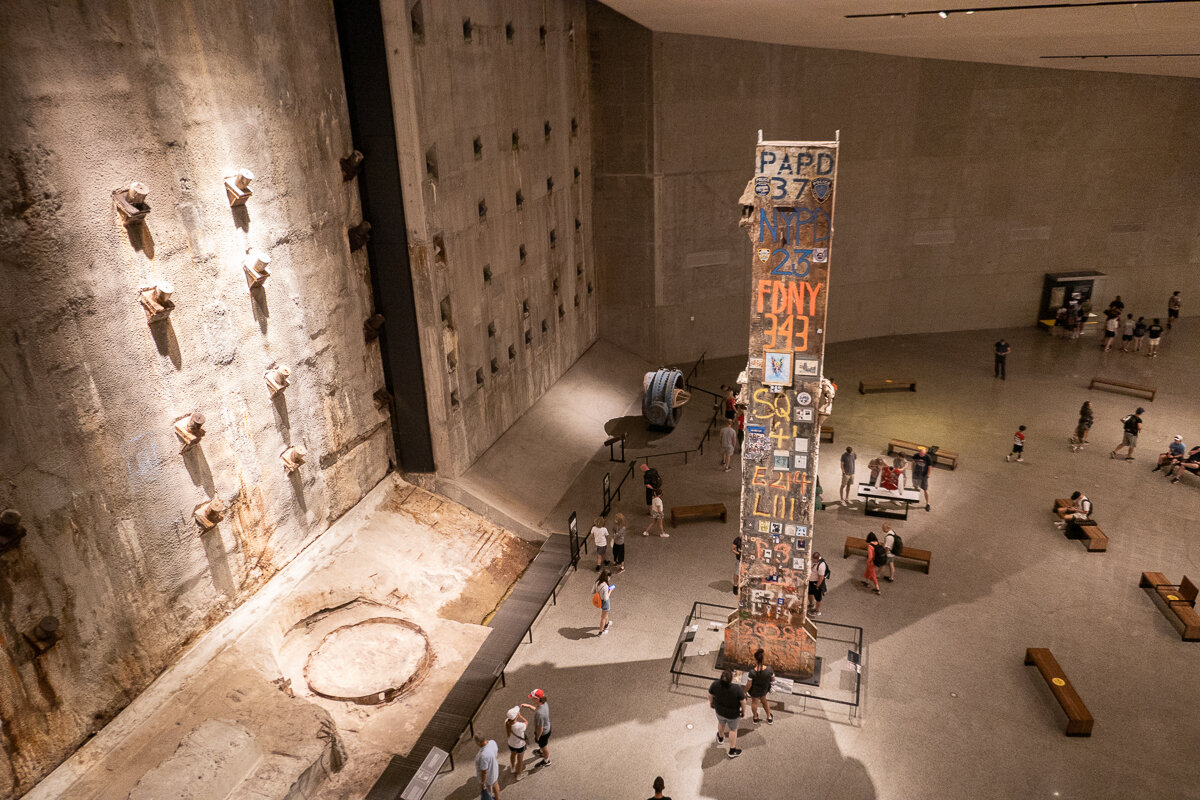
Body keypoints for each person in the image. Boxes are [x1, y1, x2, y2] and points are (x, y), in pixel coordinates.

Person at [708, 669, 746, 758]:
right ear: (731, 680)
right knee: (733, 730)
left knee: (721, 723)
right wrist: (743, 711)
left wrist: (711, 703)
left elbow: (710, 695)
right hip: (733, 714)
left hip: (719, 711)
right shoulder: (736, 689)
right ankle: (732, 750)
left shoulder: (715, 684)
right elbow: (743, 701)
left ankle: (720, 738)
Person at [521, 689, 552, 767]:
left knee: (544, 747)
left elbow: (540, 728)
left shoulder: (539, 714)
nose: (531, 699)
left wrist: (538, 737)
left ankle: (546, 760)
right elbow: (536, 709)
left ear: (537, 699)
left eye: (533, 697)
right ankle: (541, 751)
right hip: (547, 727)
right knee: (542, 745)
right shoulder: (544, 704)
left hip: (543, 733)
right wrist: (528, 706)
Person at [745, 648, 775, 724]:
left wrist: (744, 691)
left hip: (754, 691)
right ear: (763, 659)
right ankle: (769, 717)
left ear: (755, 659)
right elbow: (773, 679)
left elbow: (749, 684)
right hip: (764, 690)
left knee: (754, 702)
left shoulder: (752, 672)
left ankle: (755, 717)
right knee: (764, 702)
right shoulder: (769, 669)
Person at [474, 733, 501, 800]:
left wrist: (483, 783)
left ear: (479, 742)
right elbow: (497, 754)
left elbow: (484, 771)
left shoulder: (483, 756)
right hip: (494, 769)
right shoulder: (492, 742)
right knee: (495, 785)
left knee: (488, 793)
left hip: (488, 777)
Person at [505, 705, 528, 781]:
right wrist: (520, 716)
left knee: (513, 754)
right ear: (516, 716)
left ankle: (512, 768)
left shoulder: (507, 722)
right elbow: (526, 722)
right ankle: (519, 775)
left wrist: (517, 715)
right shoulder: (519, 726)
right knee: (520, 760)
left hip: (511, 744)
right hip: (520, 746)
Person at [910, 446, 933, 511]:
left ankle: (927, 503)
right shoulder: (915, 456)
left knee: (925, 489)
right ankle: (913, 499)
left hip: (924, 475)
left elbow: (930, 467)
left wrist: (927, 475)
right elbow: (913, 463)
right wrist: (912, 471)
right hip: (916, 474)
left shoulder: (928, 457)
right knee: (915, 487)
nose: (923, 455)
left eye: (924, 453)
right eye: (922, 453)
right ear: (919, 452)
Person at [807, 551, 828, 616]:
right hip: (811, 581)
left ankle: (817, 610)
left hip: (817, 583)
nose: (812, 560)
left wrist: (817, 586)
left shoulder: (821, 565)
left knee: (818, 597)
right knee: (810, 593)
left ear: (817, 559)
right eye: (812, 558)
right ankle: (811, 604)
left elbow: (821, 577)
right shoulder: (813, 561)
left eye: (814, 559)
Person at [595, 569, 614, 635]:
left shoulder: (597, 582)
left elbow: (593, 591)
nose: (609, 578)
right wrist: (610, 591)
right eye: (609, 577)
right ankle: (601, 631)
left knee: (605, 613)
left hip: (599, 600)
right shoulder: (605, 586)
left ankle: (607, 623)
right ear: (607, 577)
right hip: (605, 603)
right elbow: (606, 598)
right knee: (603, 617)